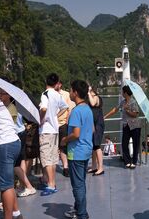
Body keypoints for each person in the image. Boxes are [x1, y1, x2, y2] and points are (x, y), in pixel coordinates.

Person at [60, 80, 94, 219]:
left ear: (75, 92)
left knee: (77, 185)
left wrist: (64, 140)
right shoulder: (87, 109)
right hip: (86, 151)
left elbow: (76, 134)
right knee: (81, 182)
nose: (70, 92)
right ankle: (78, 208)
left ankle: (82, 214)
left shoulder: (76, 111)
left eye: (71, 90)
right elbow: (92, 129)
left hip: (76, 153)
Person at [0, 88, 36, 197]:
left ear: (8, 95)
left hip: (16, 135)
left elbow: (9, 124)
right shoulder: (7, 107)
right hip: (19, 133)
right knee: (19, 161)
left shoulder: (11, 108)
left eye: (1, 93)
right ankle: (22, 185)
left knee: (15, 165)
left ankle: (28, 186)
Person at [39, 73, 69, 196]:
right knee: (52, 158)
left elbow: (44, 109)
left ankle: (51, 185)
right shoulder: (57, 94)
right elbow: (65, 107)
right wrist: (55, 115)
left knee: (46, 158)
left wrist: (41, 120)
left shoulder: (45, 94)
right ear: (57, 83)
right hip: (55, 129)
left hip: (46, 130)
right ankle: (52, 182)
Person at [104, 85, 140, 169]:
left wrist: (127, 110)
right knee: (124, 144)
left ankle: (134, 161)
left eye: (122, 92)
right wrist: (106, 116)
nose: (121, 93)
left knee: (135, 144)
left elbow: (135, 114)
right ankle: (127, 161)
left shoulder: (133, 102)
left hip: (135, 126)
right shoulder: (123, 102)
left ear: (126, 93)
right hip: (126, 125)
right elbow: (115, 109)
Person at [56, 80, 75, 178]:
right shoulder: (49, 94)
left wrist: (68, 120)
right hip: (52, 125)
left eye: (57, 83)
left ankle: (66, 167)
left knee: (64, 145)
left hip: (63, 123)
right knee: (58, 146)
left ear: (60, 84)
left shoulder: (66, 94)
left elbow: (71, 108)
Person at [88, 87, 105, 176]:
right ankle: (94, 166)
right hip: (93, 125)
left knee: (97, 145)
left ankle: (100, 168)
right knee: (94, 146)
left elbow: (93, 103)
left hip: (98, 125)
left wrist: (88, 92)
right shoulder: (92, 98)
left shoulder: (96, 98)